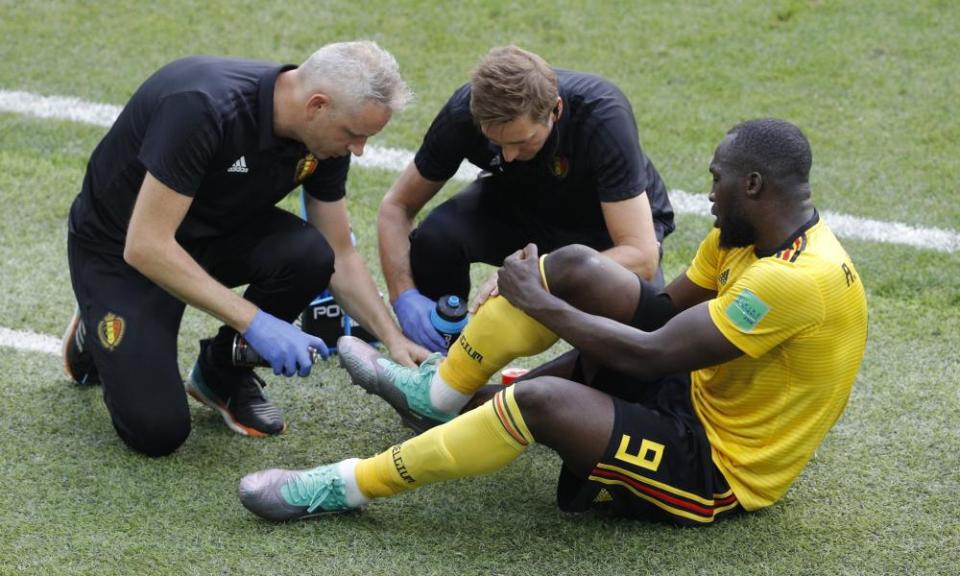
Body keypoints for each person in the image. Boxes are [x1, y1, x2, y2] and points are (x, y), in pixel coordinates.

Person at [238, 118, 868, 524]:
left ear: (753, 184)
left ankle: (343, 486)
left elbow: (650, 353)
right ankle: (440, 394)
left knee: (544, 401)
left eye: (718, 179)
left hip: (718, 466)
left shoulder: (791, 280)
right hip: (696, 389)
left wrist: (539, 306)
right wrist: (556, 290)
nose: (707, 193)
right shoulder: (742, 238)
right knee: (574, 267)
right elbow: (664, 314)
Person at [61, 41, 430, 457]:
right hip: (124, 249)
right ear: (317, 105)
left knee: (312, 254)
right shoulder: (203, 107)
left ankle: (220, 374)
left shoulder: (326, 139)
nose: (359, 149)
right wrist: (255, 321)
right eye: (354, 134)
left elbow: (340, 253)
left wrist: (393, 340)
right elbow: (146, 246)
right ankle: (95, 320)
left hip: (213, 232)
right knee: (157, 431)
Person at [379, 45, 675, 353]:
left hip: (604, 225)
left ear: (555, 111)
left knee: (640, 336)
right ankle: (438, 360)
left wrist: (536, 274)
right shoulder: (462, 114)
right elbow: (397, 206)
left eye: (522, 141)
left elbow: (640, 255)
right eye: (496, 142)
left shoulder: (601, 114)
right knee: (436, 238)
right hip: (521, 201)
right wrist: (404, 297)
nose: (508, 155)